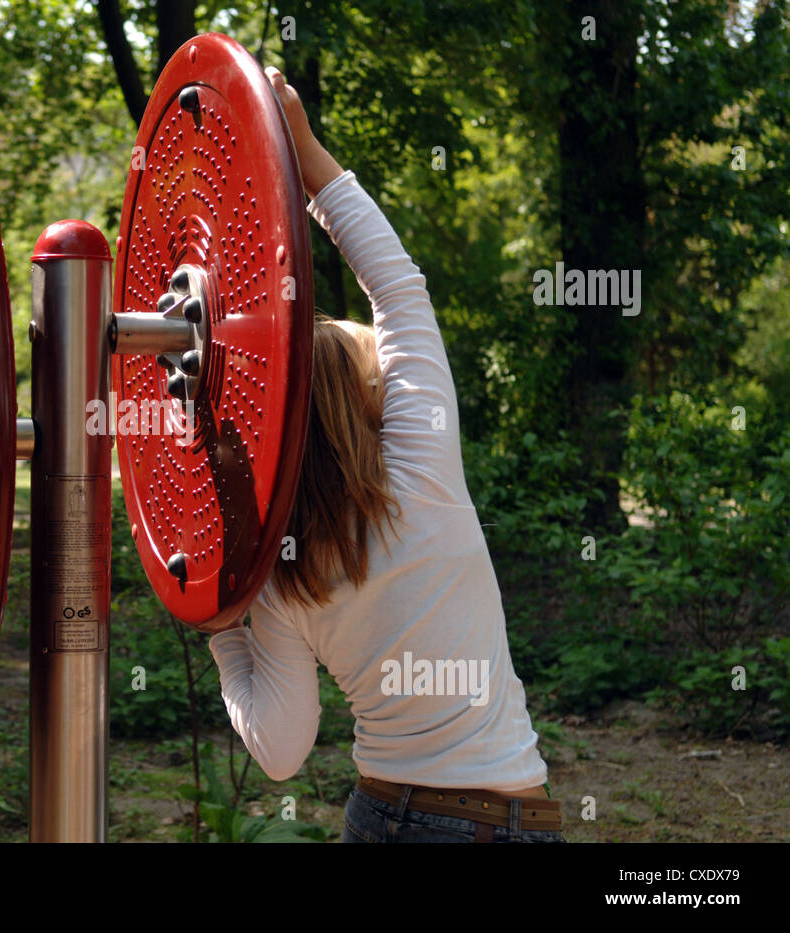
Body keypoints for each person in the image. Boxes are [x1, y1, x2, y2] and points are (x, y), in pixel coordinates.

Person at [206, 68, 564, 843]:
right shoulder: (420, 473)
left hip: (387, 817)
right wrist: (305, 153)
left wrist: (223, 624)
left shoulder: (280, 572)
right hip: (508, 819)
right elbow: (398, 289)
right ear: (367, 402)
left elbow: (279, 750)